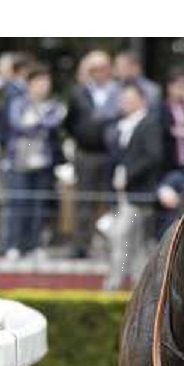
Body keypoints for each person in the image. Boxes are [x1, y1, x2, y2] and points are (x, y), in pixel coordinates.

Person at [105, 83, 164, 290]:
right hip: (126, 194)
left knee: (123, 239)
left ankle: (114, 285)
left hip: (139, 194)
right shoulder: (124, 125)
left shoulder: (149, 123)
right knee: (135, 244)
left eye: (129, 99)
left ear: (142, 100)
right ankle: (140, 287)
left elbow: (154, 156)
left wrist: (128, 175)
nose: (125, 103)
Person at [4, 63, 66, 259]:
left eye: (46, 82)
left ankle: (34, 245)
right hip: (19, 162)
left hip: (44, 162)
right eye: (39, 82)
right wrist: (39, 123)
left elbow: (53, 123)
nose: (43, 86)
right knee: (19, 203)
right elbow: (17, 124)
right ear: (29, 84)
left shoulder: (54, 105)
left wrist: (33, 123)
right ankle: (14, 244)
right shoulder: (17, 103)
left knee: (40, 205)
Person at [65, 50, 121, 258]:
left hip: (111, 154)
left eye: (102, 68)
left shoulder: (119, 91)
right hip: (86, 154)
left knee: (111, 200)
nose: (98, 73)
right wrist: (82, 136)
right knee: (84, 201)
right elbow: (70, 122)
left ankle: (112, 247)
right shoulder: (79, 92)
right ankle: (81, 246)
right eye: (93, 69)